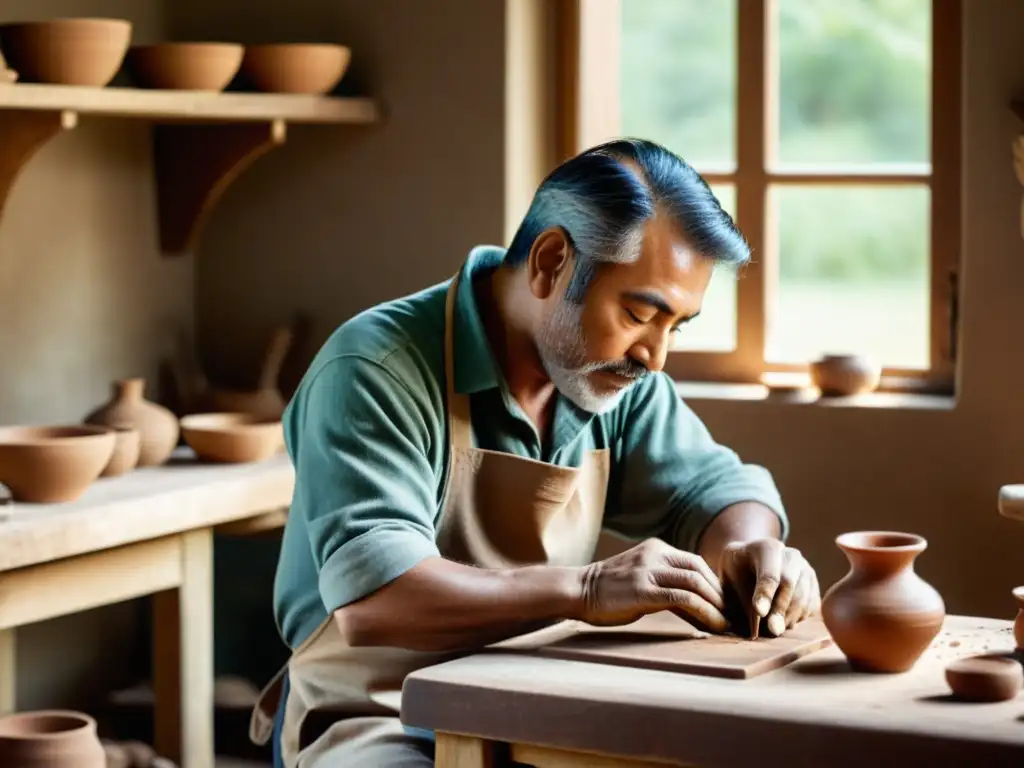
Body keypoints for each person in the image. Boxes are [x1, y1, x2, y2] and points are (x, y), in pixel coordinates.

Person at [249, 138, 821, 767]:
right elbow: (376, 601)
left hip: (538, 694)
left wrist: (747, 550)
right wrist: (586, 588)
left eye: (675, 326)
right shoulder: (375, 368)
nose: (655, 356)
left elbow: (717, 491)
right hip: (376, 710)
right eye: (638, 314)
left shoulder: (611, 380)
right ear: (551, 262)